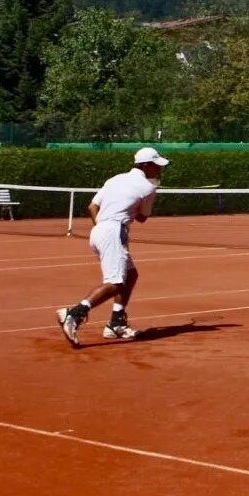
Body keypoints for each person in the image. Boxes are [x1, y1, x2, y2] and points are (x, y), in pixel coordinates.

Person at [56, 147, 168, 347]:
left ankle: (116, 323)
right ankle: (74, 313)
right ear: (146, 165)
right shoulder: (148, 188)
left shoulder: (114, 179)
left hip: (98, 230)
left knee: (130, 275)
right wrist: (148, 194)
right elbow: (142, 218)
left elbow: (92, 207)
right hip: (113, 231)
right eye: (156, 166)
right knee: (115, 282)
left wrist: (104, 227)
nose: (159, 170)